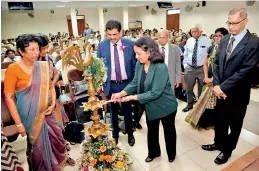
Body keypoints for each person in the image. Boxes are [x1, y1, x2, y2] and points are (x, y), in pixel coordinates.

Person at [202, 8, 259, 165]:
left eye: (235, 23)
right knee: (220, 121)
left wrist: (223, 87)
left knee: (234, 124)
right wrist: (217, 85)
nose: (231, 27)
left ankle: (227, 151)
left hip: (237, 93)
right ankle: (218, 143)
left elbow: (246, 70)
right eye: (229, 23)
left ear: (245, 21)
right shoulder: (226, 38)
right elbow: (218, 62)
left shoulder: (253, 42)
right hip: (220, 91)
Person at [4, 34, 68, 170]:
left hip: (48, 111)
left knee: (57, 139)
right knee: (37, 147)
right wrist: (18, 123)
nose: (36, 52)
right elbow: (8, 97)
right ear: (21, 51)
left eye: (37, 49)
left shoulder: (42, 66)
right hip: (29, 115)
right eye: (31, 50)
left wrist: (52, 105)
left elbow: (50, 85)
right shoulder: (13, 69)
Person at [112, 36, 178, 163]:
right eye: (135, 53)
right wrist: (121, 93)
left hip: (166, 106)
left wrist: (132, 97)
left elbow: (155, 92)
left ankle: (172, 154)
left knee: (169, 131)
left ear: (149, 52)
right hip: (150, 106)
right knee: (152, 131)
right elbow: (135, 82)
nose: (136, 57)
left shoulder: (160, 67)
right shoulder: (139, 64)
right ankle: (154, 153)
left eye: (138, 54)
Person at [97, 20, 136, 146]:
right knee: (112, 112)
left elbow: (135, 66)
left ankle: (130, 133)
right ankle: (115, 135)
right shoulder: (102, 46)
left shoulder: (130, 44)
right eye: (109, 34)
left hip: (126, 84)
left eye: (115, 34)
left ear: (121, 32)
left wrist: (136, 84)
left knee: (127, 111)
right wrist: (99, 84)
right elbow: (98, 67)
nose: (112, 38)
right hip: (111, 84)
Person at [185, 27, 229, 130]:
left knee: (216, 103)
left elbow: (225, 69)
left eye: (220, 36)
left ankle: (216, 123)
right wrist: (206, 77)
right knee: (207, 101)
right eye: (216, 36)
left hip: (220, 81)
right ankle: (208, 121)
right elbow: (205, 62)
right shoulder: (213, 47)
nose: (217, 38)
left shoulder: (226, 50)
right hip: (208, 77)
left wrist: (212, 79)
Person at [182, 24, 212, 112]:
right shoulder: (189, 41)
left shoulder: (208, 41)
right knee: (189, 88)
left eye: (196, 31)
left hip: (202, 69)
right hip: (190, 68)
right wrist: (185, 65)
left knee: (201, 89)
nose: (193, 33)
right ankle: (189, 104)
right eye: (192, 32)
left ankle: (200, 107)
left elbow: (210, 56)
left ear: (201, 32)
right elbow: (186, 53)